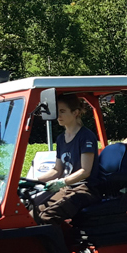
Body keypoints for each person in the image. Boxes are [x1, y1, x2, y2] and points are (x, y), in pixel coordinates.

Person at [34, 94, 101, 224]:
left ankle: (58, 239)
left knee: (45, 216)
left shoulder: (86, 137)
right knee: (30, 210)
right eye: (57, 112)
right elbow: (57, 170)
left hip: (85, 189)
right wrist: (34, 181)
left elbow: (85, 171)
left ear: (75, 112)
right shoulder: (61, 138)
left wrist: (62, 182)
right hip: (67, 188)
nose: (58, 116)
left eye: (63, 111)